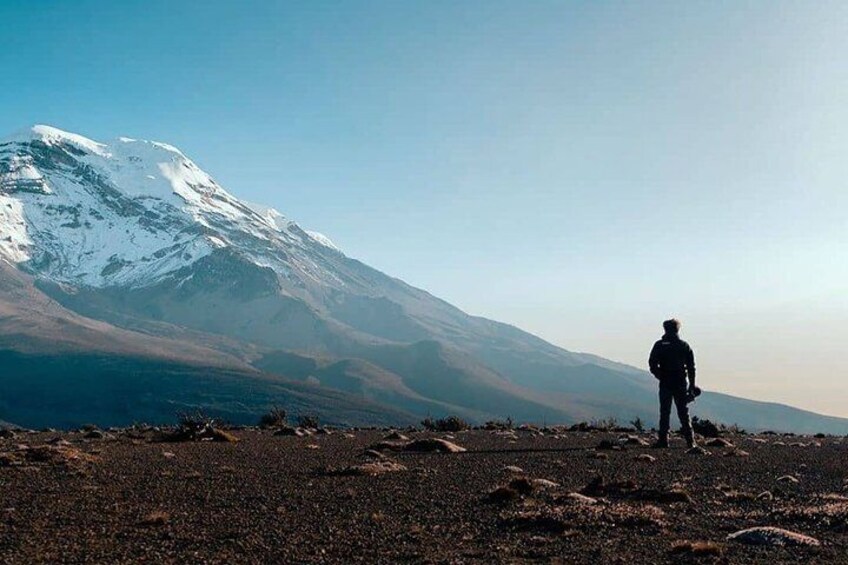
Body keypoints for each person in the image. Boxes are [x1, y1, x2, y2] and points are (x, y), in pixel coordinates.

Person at [648, 318, 697, 448]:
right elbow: (691, 368)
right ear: (677, 329)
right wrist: (691, 385)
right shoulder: (683, 345)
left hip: (666, 382)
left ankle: (663, 440)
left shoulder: (659, 345)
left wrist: (661, 376)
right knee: (683, 412)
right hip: (680, 382)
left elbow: (652, 364)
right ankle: (690, 442)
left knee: (664, 412)